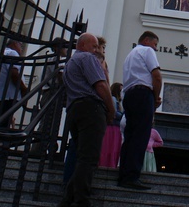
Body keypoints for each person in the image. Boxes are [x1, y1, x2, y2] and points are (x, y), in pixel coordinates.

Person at [59, 32, 115, 207]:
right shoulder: (87, 58)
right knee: (89, 158)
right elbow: (101, 85)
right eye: (94, 46)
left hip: (74, 109)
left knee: (83, 156)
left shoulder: (70, 63)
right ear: (82, 45)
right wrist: (111, 109)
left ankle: (68, 199)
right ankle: (81, 199)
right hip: (91, 108)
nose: (96, 50)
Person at [118, 31, 162, 189]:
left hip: (129, 95)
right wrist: (156, 98)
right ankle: (132, 175)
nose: (156, 48)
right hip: (143, 94)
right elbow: (156, 76)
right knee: (141, 135)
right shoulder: (146, 51)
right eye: (155, 44)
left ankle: (123, 173)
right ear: (146, 40)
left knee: (129, 135)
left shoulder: (130, 56)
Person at [0, 38, 28, 143]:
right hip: (8, 96)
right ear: (15, 44)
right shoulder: (12, 53)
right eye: (21, 45)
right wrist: (24, 89)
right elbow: (14, 74)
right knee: (2, 126)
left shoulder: (4, 54)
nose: (21, 48)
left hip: (0, 95)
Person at [99, 82, 123, 168]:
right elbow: (114, 113)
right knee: (110, 147)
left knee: (114, 148)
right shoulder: (113, 99)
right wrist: (123, 115)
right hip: (112, 127)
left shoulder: (118, 102)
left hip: (116, 127)